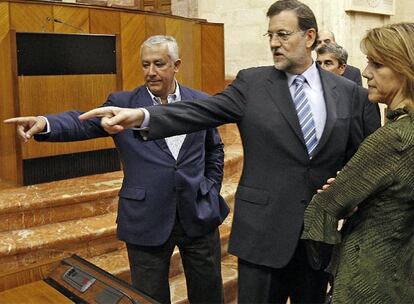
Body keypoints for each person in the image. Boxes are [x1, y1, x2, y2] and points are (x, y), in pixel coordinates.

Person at [79, 1, 381, 303]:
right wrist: (144, 116)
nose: (275, 43)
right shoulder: (251, 83)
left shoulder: (351, 94)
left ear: (310, 37)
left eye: (283, 34)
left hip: (318, 240)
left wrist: (347, 194)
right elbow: (201, 110)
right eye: (270, 35)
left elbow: (364, 160)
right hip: (262, 237)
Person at [4, 35, 229, 304]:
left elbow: (214, 149)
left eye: (159, 64)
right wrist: (45, 122)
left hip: (198, 214)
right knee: (148, 298)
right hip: (146, 218)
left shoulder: (199, 102)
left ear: (176, 64)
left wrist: (211, 187)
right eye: (145, 65)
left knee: (209, 295)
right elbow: (84, 122)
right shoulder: (123, 103)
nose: (151, 72)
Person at [302, 22, 414, 303]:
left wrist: (344, 199)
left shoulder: (393, 139)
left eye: (377, 64)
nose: (365, 73)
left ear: (403, 69)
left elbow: (323, 210)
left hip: (367, 280)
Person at [316, 43, 381, 137]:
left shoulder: (362, 98)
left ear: (342, 68)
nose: (321, 68)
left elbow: (374, 140)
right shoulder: (309, 95)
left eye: (328, 63)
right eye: (318, 63)